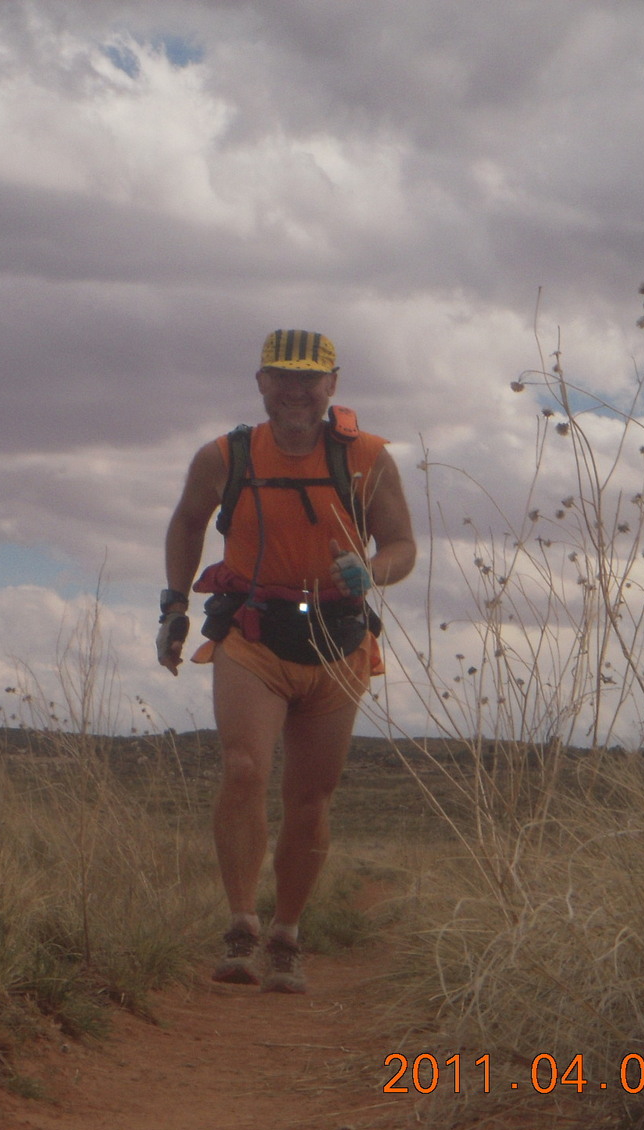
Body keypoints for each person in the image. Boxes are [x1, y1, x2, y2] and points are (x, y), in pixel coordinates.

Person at [158, 329, 415, 993]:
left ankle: (286, 936)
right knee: (244, 769)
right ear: (261, 382)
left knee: (310, 797)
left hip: (338, 638)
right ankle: (241, 925)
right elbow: (187, 522)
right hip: (253, 633)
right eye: (282, 377)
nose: (296, 391)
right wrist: (174, 607)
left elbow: (402, 546)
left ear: (333, 384)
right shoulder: (226, 456)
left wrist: (372, 570)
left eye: (309, 378)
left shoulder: (368, 458)